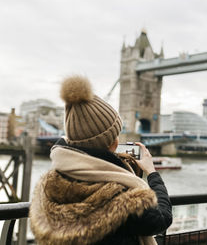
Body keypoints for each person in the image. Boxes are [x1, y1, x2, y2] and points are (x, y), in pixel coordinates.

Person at [29, 75, 172, 245]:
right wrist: (152, 172)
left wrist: (116, 164)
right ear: (113, 142)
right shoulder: (122, 197)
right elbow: (161, 219)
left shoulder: (49, 184)